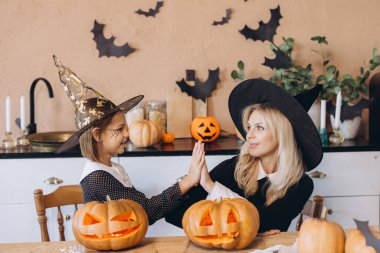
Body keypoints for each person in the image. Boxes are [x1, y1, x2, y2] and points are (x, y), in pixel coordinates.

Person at [53, 56, 205, 225]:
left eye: (126, 127)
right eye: (119, 129)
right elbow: (145, 212)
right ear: (97, 135)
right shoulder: (97, 179)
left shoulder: (112, 168)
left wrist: (184, 182)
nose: (127, 133)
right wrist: (187, 181)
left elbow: (140, 206)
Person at [165, 78, 323, 234]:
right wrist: (189, 181)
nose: (249, 136)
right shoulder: (234, 168)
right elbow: (175, 213)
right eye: (249, 127)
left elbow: (267, 223)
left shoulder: (300, 184)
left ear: (282, 135)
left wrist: (212, 188)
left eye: (259, 127)